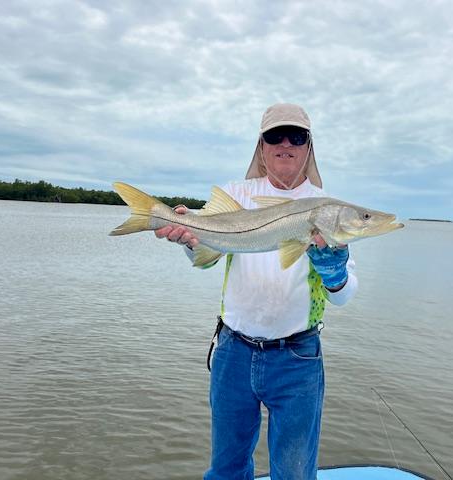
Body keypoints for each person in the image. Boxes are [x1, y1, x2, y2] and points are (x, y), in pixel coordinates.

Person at [155, 103, 358, 480]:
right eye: (274, 136)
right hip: (233, 351)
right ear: (261, 146)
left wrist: (335, 271)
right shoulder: (237, 194)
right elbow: (205, 259)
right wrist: (186, 238)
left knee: (295, 472)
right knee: (227, 467)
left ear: (308, 147)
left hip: (298, 358)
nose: (285, 144)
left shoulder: (327, 207)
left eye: (296, 137)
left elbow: (344, 295)